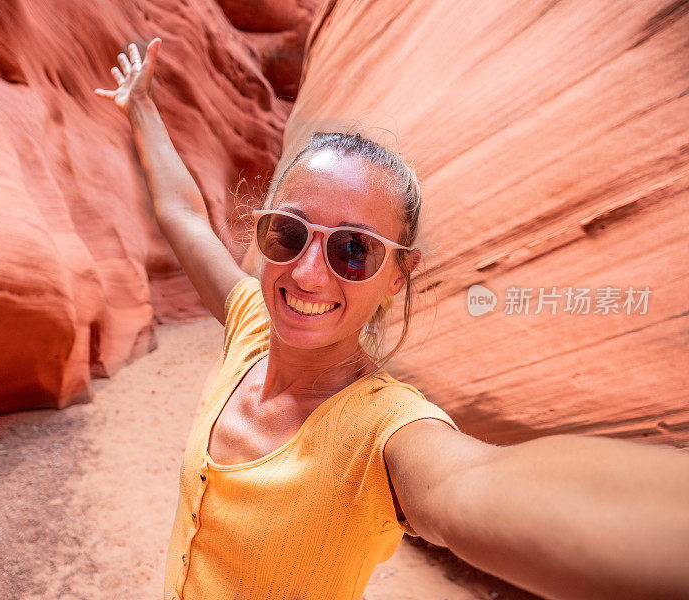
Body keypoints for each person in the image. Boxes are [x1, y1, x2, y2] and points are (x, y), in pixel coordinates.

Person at [94, 38, 689, 600]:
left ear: (398, 275)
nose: (307, 274)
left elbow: (473, 482)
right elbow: (183, 214)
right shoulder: (253, 322)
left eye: (354, 250)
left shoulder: (384, 432)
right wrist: (142, 105)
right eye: (290, 232)